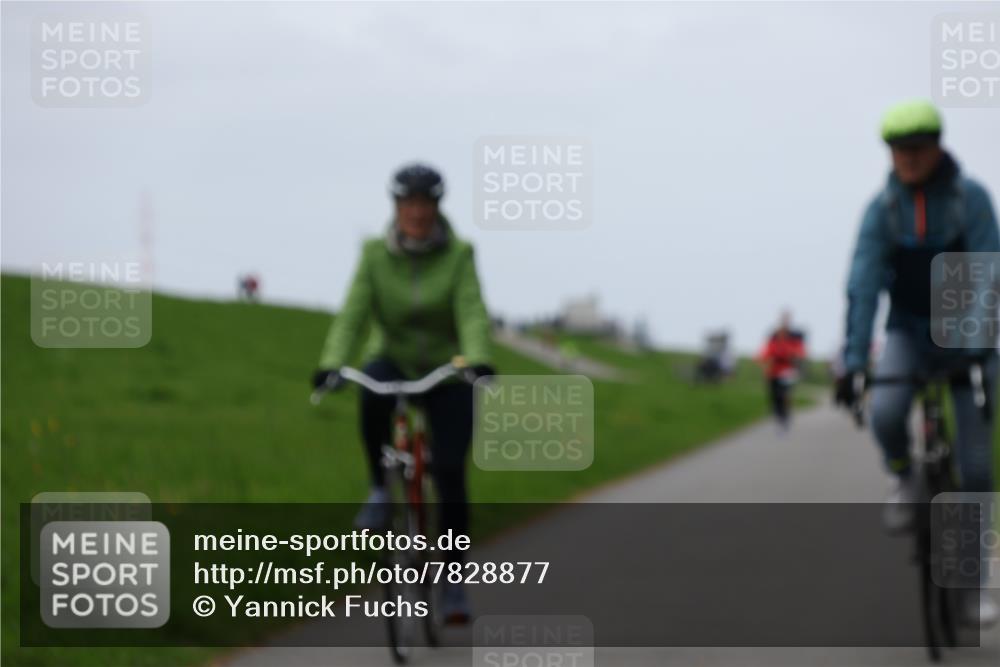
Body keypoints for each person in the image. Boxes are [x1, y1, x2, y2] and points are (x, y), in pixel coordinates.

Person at [834, 100, 999, 626]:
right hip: (906, 329)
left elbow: (986, 276)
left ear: (936, 147)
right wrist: (854, 361)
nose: (907, 158)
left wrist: (973, 354)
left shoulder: (968, 200)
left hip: (964, 332)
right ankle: (903, 474)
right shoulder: (881, 209)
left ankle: (972, 586)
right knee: (885, 411)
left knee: (974, 468)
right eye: (897, 149)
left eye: (916, 148)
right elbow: (863, 285)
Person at [311, 163, 494, 623]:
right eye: (408, 203)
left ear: (437, 207)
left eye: (425, 203)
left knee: (450, 471)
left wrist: (478, 360)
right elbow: (352, 313)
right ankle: (378, 488)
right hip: (391, 357)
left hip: (447, 369)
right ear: (396, 207)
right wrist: (331, 363)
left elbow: (471, 310)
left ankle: (452, 583)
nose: (416, 212)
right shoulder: (374, 254)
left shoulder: (459, 254)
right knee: (370, 391)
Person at [757, 312, 806, 431]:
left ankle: (786, 415)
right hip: (773, 372)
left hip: (787, 372)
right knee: (774, 397)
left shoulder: (795, 337)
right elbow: (764, 354)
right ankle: (778, 416)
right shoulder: (773, 337)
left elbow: (800, 353)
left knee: (785, 394)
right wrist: (766, 363)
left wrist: (793, 357)